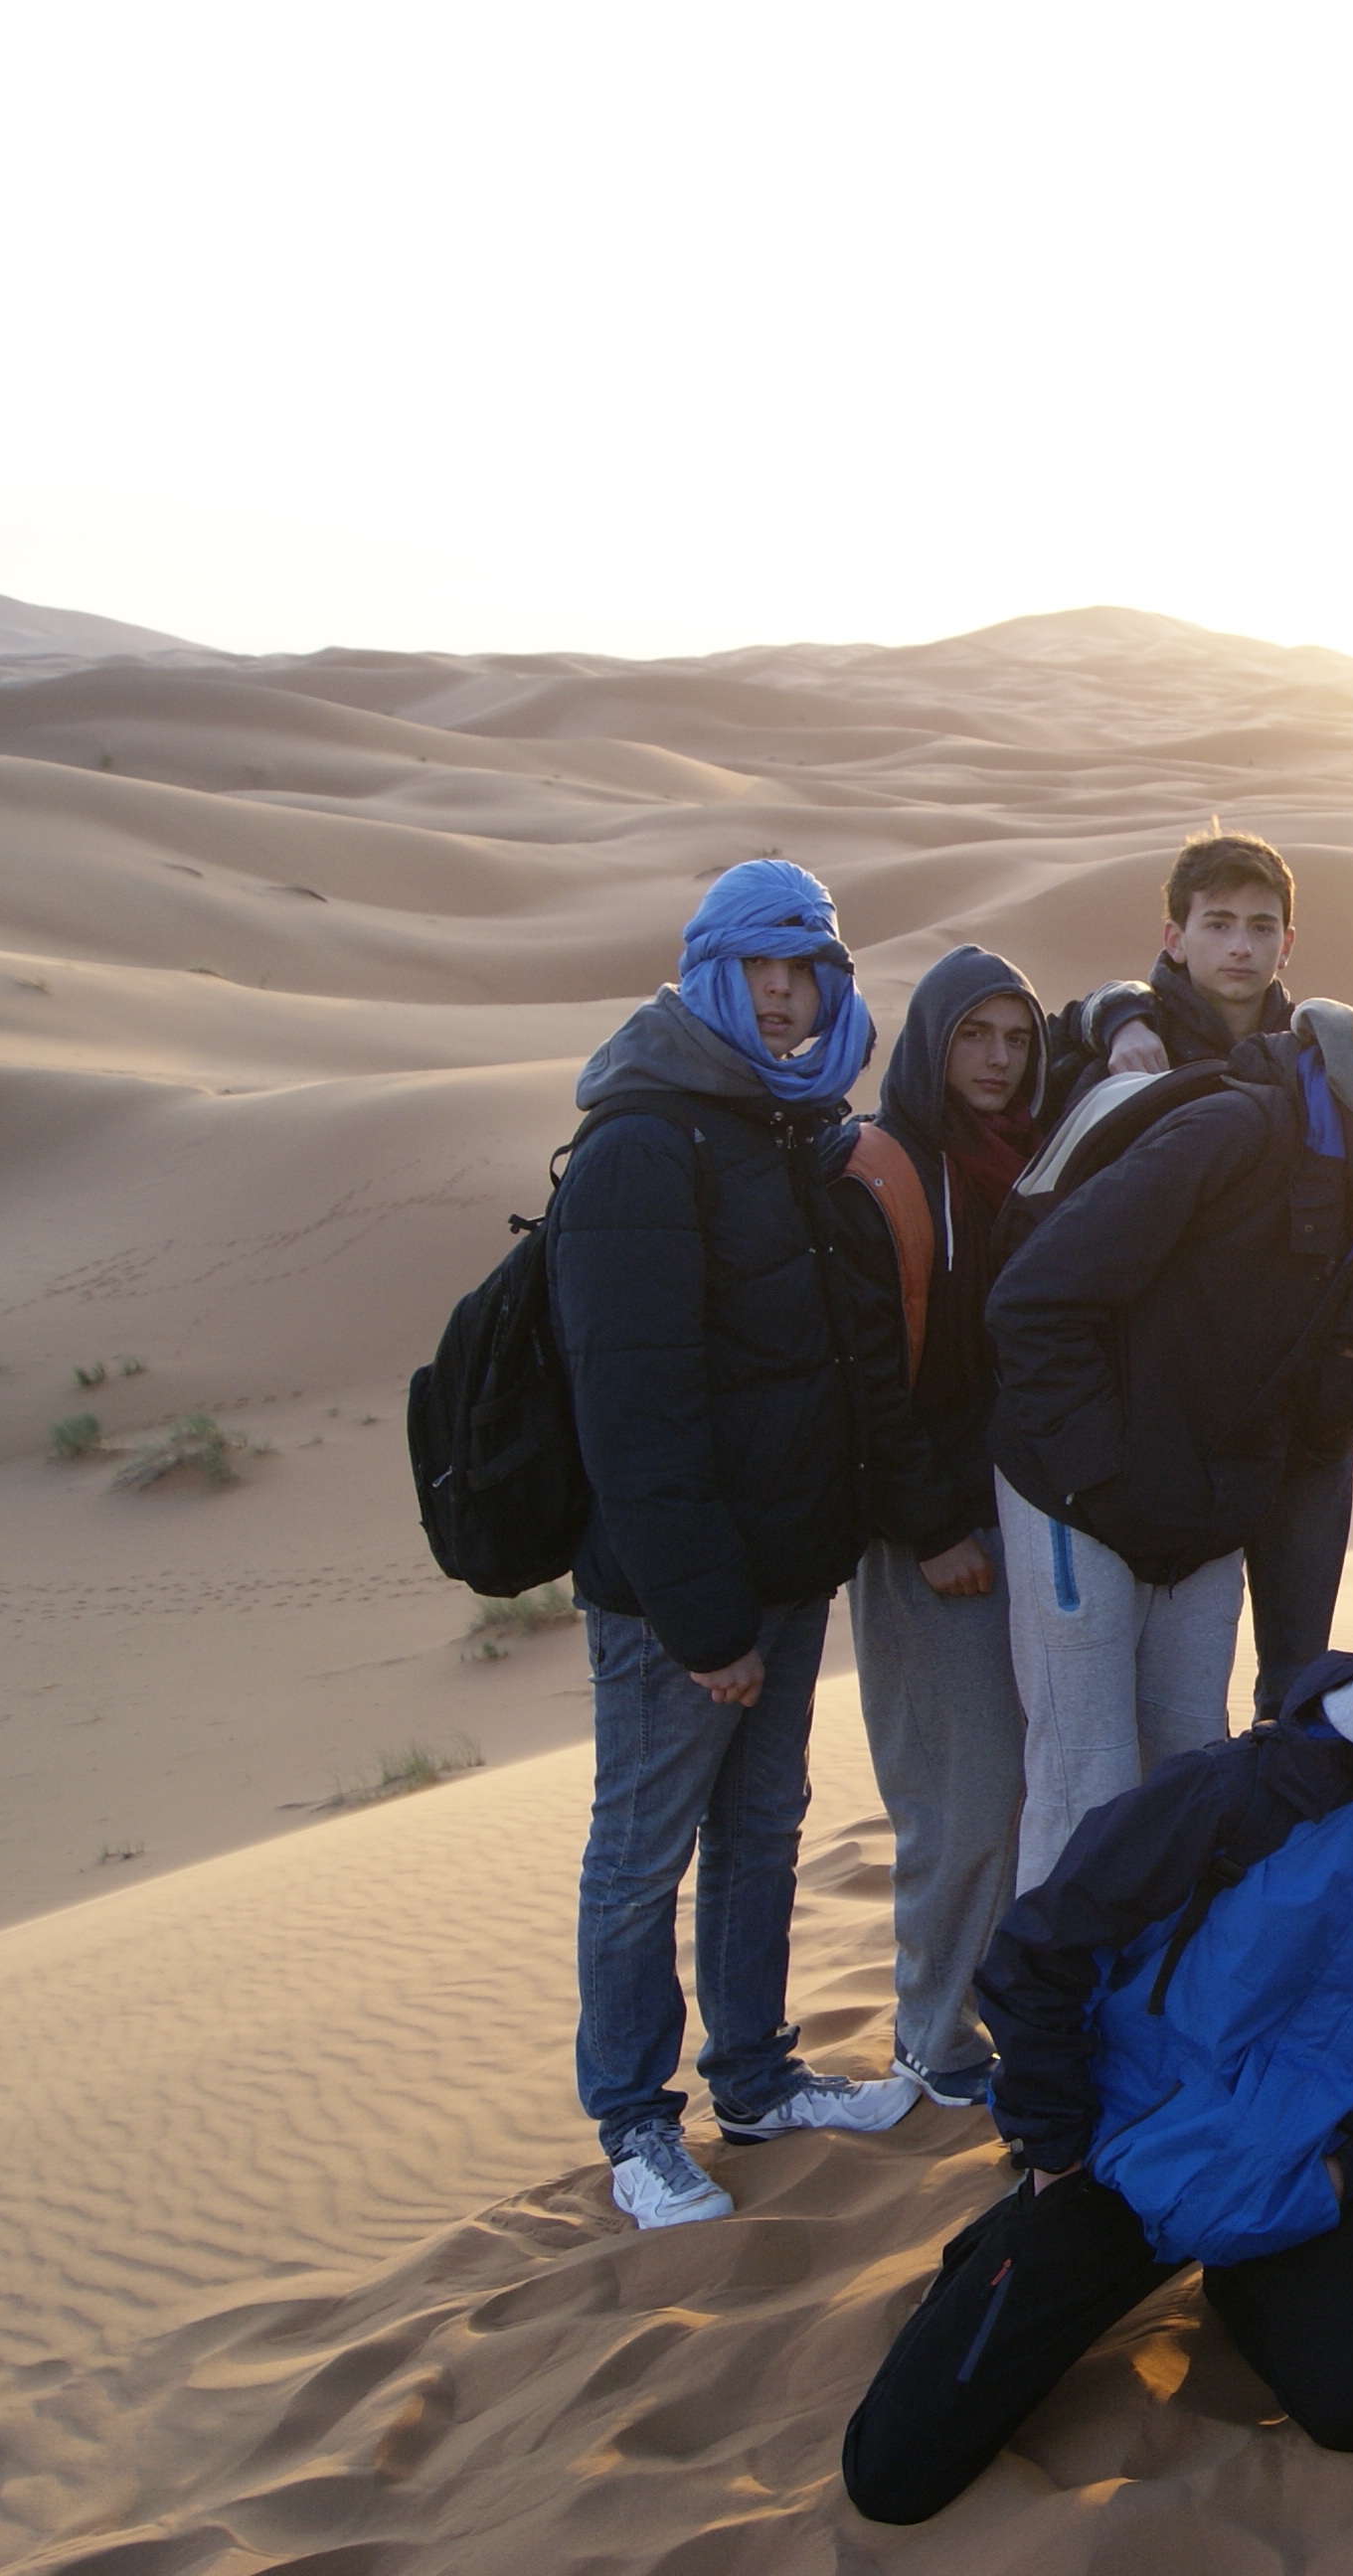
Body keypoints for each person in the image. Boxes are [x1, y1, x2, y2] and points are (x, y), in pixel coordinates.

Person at [838, 1559, 1353, 2522]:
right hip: (1117, 2159)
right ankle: (1015, 2238)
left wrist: (1346, 2174)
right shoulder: (1260, 1788)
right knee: (892, 2474)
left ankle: (1242, 2279)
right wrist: (1055, 2152)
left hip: (1291, 2177)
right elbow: (1038, 1951)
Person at [547, 860, 935, 2228]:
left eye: (810, 971)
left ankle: (759, 2080)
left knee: (763, 1833)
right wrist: (705, 1623)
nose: (787, 997)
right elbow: (634, 1412)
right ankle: (637, 2126)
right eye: (764, 970)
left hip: (784, 1571)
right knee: (643, 1853)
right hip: (679, 1602)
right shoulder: (644, 1143)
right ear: (712, 970)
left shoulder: (786, 1126)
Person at [988, 950, 1353, 1887]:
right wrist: (1095, 1474)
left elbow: (1320, 1410)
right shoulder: (1237, 1130)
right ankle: (1045, 2031)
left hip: (1197, 1517)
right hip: (1076, 1497)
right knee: (1088, 1786)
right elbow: (1034, 1299)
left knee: (1189, 1772)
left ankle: (1144, 2024)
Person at [839, 943, 1045, 2109]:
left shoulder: (1021, 1159)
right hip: (928, 1536)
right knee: (954, 1796)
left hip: (1010, 1518)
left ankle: (981, 2015)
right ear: (931, 1041)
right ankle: (931, 2037)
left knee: (1011, 1785)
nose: (997, 1059)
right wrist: (927, 1528)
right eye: (975, 1035)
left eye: (1015, 1039)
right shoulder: (886, 1169)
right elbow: (868, 1383)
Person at [1043, 829, 1299, 1121]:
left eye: (1261, 928)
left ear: (1286, 946)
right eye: (1218, 925)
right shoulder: (1129, 1058)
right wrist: (1119, 1020)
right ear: (1175, 941)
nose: (1241, 948)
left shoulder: (1306, 1055)